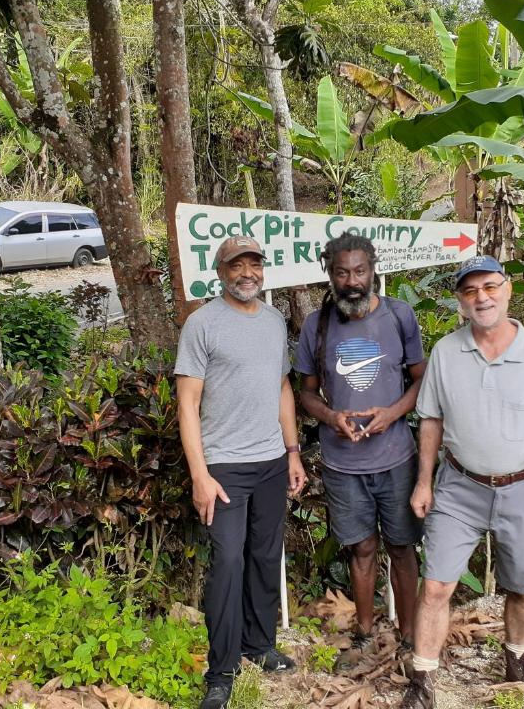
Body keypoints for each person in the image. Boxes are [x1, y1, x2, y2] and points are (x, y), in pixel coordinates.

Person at [401, 255, 524, 709]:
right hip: (459, 487)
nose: (481, 297)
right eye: (470, 291)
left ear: (507, 290)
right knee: (438, 585)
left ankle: (517, 661)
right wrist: (423, 483)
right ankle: (423, 679)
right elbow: (431, 423)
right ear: (461, 302)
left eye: (489, 287)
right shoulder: (446, 351)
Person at [175, 236, 307, 709]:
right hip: (224, 466)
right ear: (221, 271)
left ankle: (260, 644)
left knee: (266, 555)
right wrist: (200, 474)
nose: (247, 272)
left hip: (271, 462)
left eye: (254, 264)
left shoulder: (273, 322)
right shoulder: (202, 324)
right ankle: (221, 669)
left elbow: (282, 388)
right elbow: (187, 404)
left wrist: (292, 451)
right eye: (237, 265)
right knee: (228, 561)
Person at [295, 234, 426, 669]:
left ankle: (409, 636)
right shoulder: (317, 325)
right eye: (341, 272)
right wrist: (332, 418)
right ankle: (366, 632)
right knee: (362, 549)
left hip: (397, 458)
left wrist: (392, 413)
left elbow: (422, 381)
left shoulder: (399, 316)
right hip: (342, 462)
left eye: (359, 271)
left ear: (373, 269)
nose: (351, 281)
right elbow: (306, 394)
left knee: (403, 547)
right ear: (329, 273)